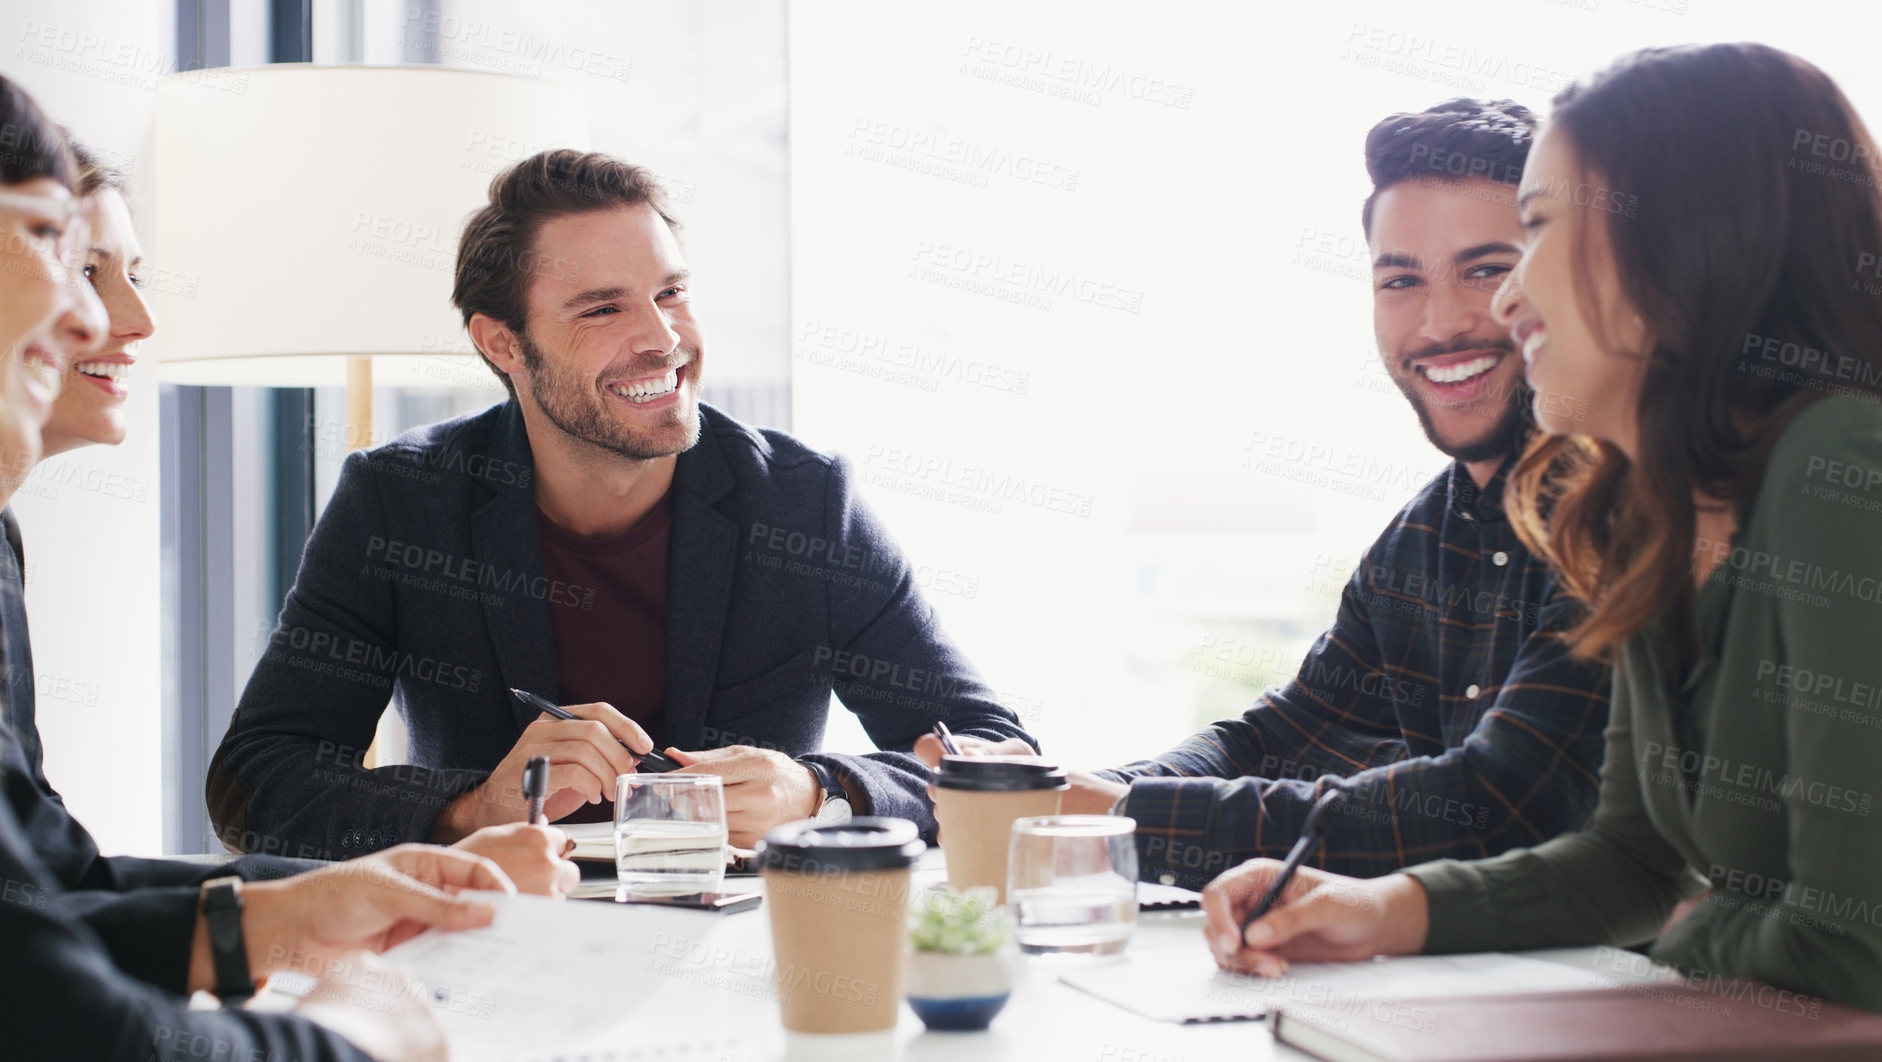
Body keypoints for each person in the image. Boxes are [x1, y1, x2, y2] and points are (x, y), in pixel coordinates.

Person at [1203, 42, 1882, 1014]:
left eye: (1537, 231)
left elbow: (1856, 946)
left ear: (1685, 241)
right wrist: (1377, 910)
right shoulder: (1645, 512)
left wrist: (1694, 931)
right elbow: (1630, 862)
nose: (1510, 296)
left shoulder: (1834, 467)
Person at [209, 150, 1034, 853]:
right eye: (604, 307)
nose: (664, 339)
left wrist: (819, 791)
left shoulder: (805, 502)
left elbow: (1000, 758)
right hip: (500, 953)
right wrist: (475, 809)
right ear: (501, 343)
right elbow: (257, 783)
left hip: (747, 959)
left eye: (671, 293)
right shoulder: (399, 503)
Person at [918, 99, 1611, 889]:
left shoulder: (1626, 509)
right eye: (1400, 280)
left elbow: (1500, 806)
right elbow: (1283, 734)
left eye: (1486, 270)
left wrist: (1114, 815)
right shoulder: (1428, 530)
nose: (1441, 320)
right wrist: (1081, 796)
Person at [0, 73, 476, 1062]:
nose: (108, 320)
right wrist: (357, 1033)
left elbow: (40, 895)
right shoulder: (399, 493)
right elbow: (70, 1022)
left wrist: (287, 909)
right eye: (63, 255)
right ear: (500, 341)